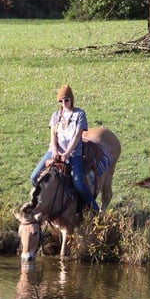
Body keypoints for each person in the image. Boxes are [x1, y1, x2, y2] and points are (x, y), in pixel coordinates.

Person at [30, 84, 100, 212]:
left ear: (71, 99)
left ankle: (95, 209)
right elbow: (52, 135)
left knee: (79, 183)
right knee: (34, 177)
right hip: (54, 151)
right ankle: (44, 204)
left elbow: (77, 136)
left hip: (73, 154)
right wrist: (55, 150)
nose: (64, 103)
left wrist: (67, 153)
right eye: (61, 101)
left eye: (66, 100)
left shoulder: (79, 114)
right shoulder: (55, 115)